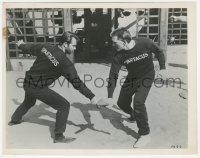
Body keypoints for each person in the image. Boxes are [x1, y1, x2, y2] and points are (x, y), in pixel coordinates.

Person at [8, 31, 101, 143]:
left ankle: (14, 119)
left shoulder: (46, 47)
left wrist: (20, 44)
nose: (75, 48)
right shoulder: (65, 63)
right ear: (65, 44)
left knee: (29, 102)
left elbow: (29, 48)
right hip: (37, 88)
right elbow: (77, 83)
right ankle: (59, 136)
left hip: (27, 82)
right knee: (64, 105)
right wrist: (92, 97)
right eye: (74, 45)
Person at [104, 27, 167, 148]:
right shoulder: (118, 55)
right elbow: (113, 76)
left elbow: (159, 52)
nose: (113, 44)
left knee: (138, 102)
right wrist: (109, 96)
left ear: (124, 41)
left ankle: (145, 134)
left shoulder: (145, 42)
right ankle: (133, 116)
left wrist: (163, 68)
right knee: (121, 103)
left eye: (115, 42)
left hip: (147, 75)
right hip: (132, 77)